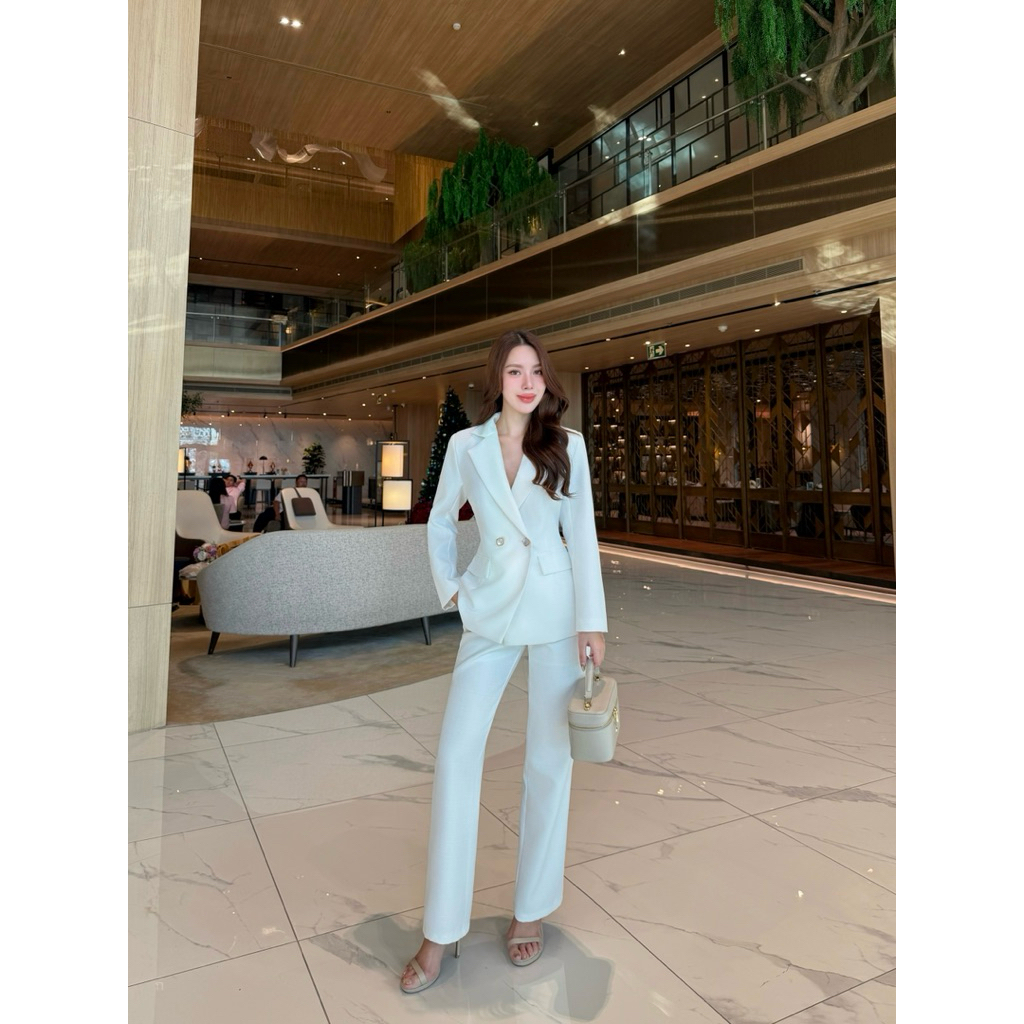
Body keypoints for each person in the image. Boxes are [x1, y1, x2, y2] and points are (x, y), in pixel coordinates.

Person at [400, 329, 607, 994]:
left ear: (547, 380)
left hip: (555, 611)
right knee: (456, 757)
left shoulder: (567, 445)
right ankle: (440, 929)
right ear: (498, 380)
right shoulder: (467, 445)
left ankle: (531, 911)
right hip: (487, 612)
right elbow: (438, 519)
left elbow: (582, 535)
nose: (526, 382)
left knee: (549, 761)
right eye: (515, 371)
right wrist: (452, 587)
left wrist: (592, 621)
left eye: (536, 371)